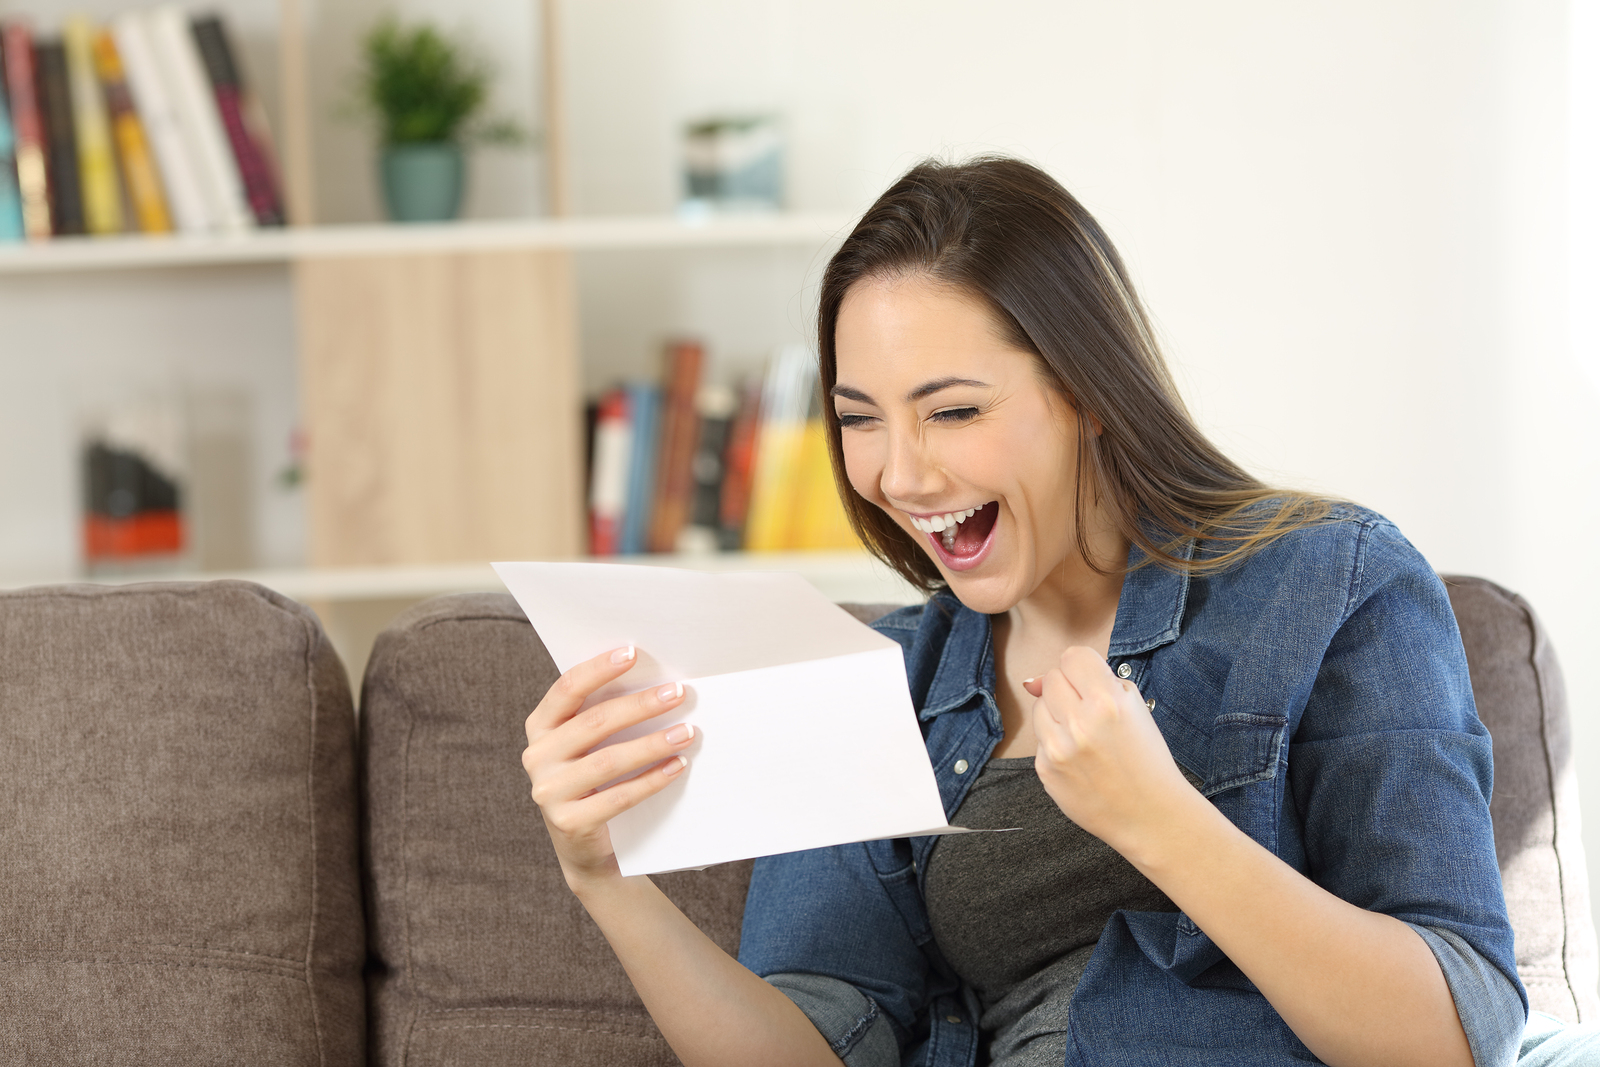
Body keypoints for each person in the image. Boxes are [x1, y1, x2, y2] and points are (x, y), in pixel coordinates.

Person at [521, 158, 1599, 1066]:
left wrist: (1160, 821)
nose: (899, 472)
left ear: (1085, 390)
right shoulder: (880, 685)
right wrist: (607, 879)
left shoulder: (1329, 584)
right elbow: (815, 1042)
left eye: (952, 409)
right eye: (861, 420)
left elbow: (1461, 1029)